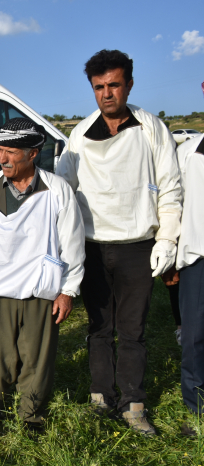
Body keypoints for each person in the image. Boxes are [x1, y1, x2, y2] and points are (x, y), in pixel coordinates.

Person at [56, 50, 182, 435]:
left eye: (114, 85)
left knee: (132, 330)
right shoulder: (79, 135)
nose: (107, 94)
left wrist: (167, 239)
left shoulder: (151, 128)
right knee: (98, 327)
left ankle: (133, 404)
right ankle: (100, 399)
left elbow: (171, 188)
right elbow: (62, 192)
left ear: (128, 83)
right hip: (93, 246)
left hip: (137, 246)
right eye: (99, 87)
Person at [0, 118, 85, 439]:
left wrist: (68, 290)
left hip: (39, 291)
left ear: (33, 154)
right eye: (0, 150)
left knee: (36, 362)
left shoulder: (56, 189)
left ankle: (33, 422)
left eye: (11, 152)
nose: (2, 158)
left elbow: (71, 241)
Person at [175, 133, 204, 436]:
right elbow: (174, 203)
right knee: (195, 337)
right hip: (198, 257)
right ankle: (197, 410)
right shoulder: (188, 152)